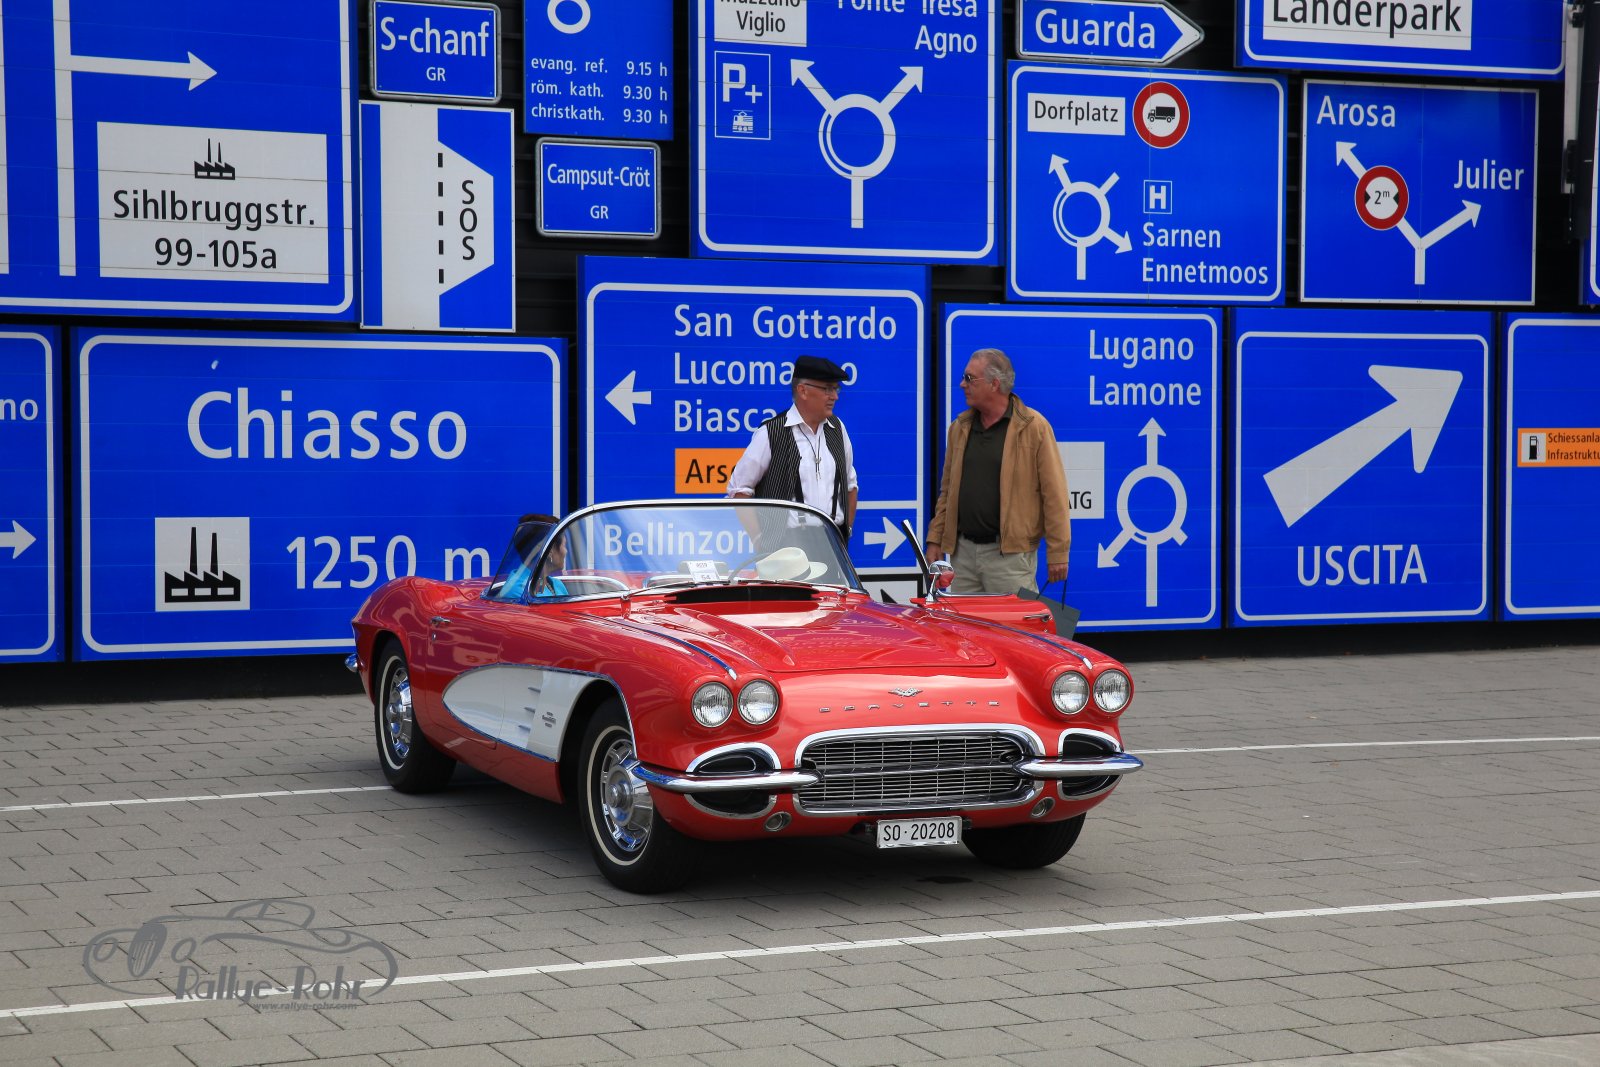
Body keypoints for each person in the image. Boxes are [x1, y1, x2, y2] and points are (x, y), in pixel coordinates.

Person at [926, 348, 1070, 595]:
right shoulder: (959, 428)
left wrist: (1058, 553)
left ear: (994, 384)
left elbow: (1055, 495)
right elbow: (948, 491)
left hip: (1010, 558)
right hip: (963, 556)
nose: (962, 384)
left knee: (1016, 622)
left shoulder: (1034, 427)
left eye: (969, 378)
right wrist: (935, 538)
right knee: (966, 621)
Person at [726, 355, 858, 541]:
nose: (835, 396)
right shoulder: (771, 432)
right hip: (786, 543)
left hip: (831, 542)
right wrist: (759, 540)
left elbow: (850, 485)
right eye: (827, 389)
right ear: (803, 390)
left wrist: (846, 531)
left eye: (836, 389)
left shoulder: (837, 429)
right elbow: (739, 489)